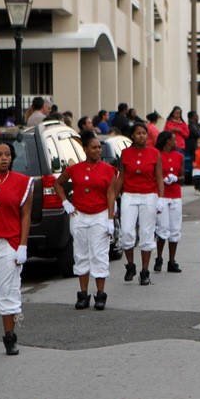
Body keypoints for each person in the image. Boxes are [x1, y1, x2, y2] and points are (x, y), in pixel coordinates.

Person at [53, 131, 117, 310]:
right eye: (94, 147)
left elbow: (111, 194)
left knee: (99, 254)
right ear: (85, 149)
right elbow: (57, 184)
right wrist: (65, 202)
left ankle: (100, 295)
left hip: (100, 215)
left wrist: (110, 219)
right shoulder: (75, 169)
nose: (98, 150)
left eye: (99, 148)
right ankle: (83, 295)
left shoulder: (108, 170)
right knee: (81, 254)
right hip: (79, 215)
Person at [0, 141, 32, 355]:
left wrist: (22, 245)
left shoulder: (22, 182)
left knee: (8, 292)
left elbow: (26, 215)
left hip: (9, 243)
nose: (4, 158)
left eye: (7, 154)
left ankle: (9, 337)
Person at [115, 123, 165, 285]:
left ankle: (145, 271)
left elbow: (159, 178)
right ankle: (130, 265)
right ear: (132, 136)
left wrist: (161, 198)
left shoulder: (154, 153)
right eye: (138, 133)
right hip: (129, 195)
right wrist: (114, 199)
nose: (142, 136)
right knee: (127, 232)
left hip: (149, 196)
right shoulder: (125, 153)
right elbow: (121, 178)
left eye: (144, 133)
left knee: (146, 233)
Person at [154, 131, 185, 274]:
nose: (176, 141)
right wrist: (162, 179)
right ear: (167, 141)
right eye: (173, 139)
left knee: (175, 228)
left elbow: (183, 177)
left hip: (175, 196)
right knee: (163, 227)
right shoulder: (157, 155)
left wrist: (176, 178)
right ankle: (159, 258)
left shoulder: (179, 156)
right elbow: (153, 175)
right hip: (162, 196)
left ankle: (172, 260)